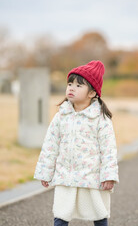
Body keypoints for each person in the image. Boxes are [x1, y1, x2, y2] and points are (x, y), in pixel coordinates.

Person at [34, 60, 119, 226]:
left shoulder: (100, 119)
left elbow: (109, 149)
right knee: (60, 215)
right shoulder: (61, 116)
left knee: (99, 214)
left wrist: (108, 176)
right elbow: (50, 146)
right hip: (66, 176)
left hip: (92, 177)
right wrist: (45, 172)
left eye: (79, 86)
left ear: (92, 93)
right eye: (70, 84)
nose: (71, 88)